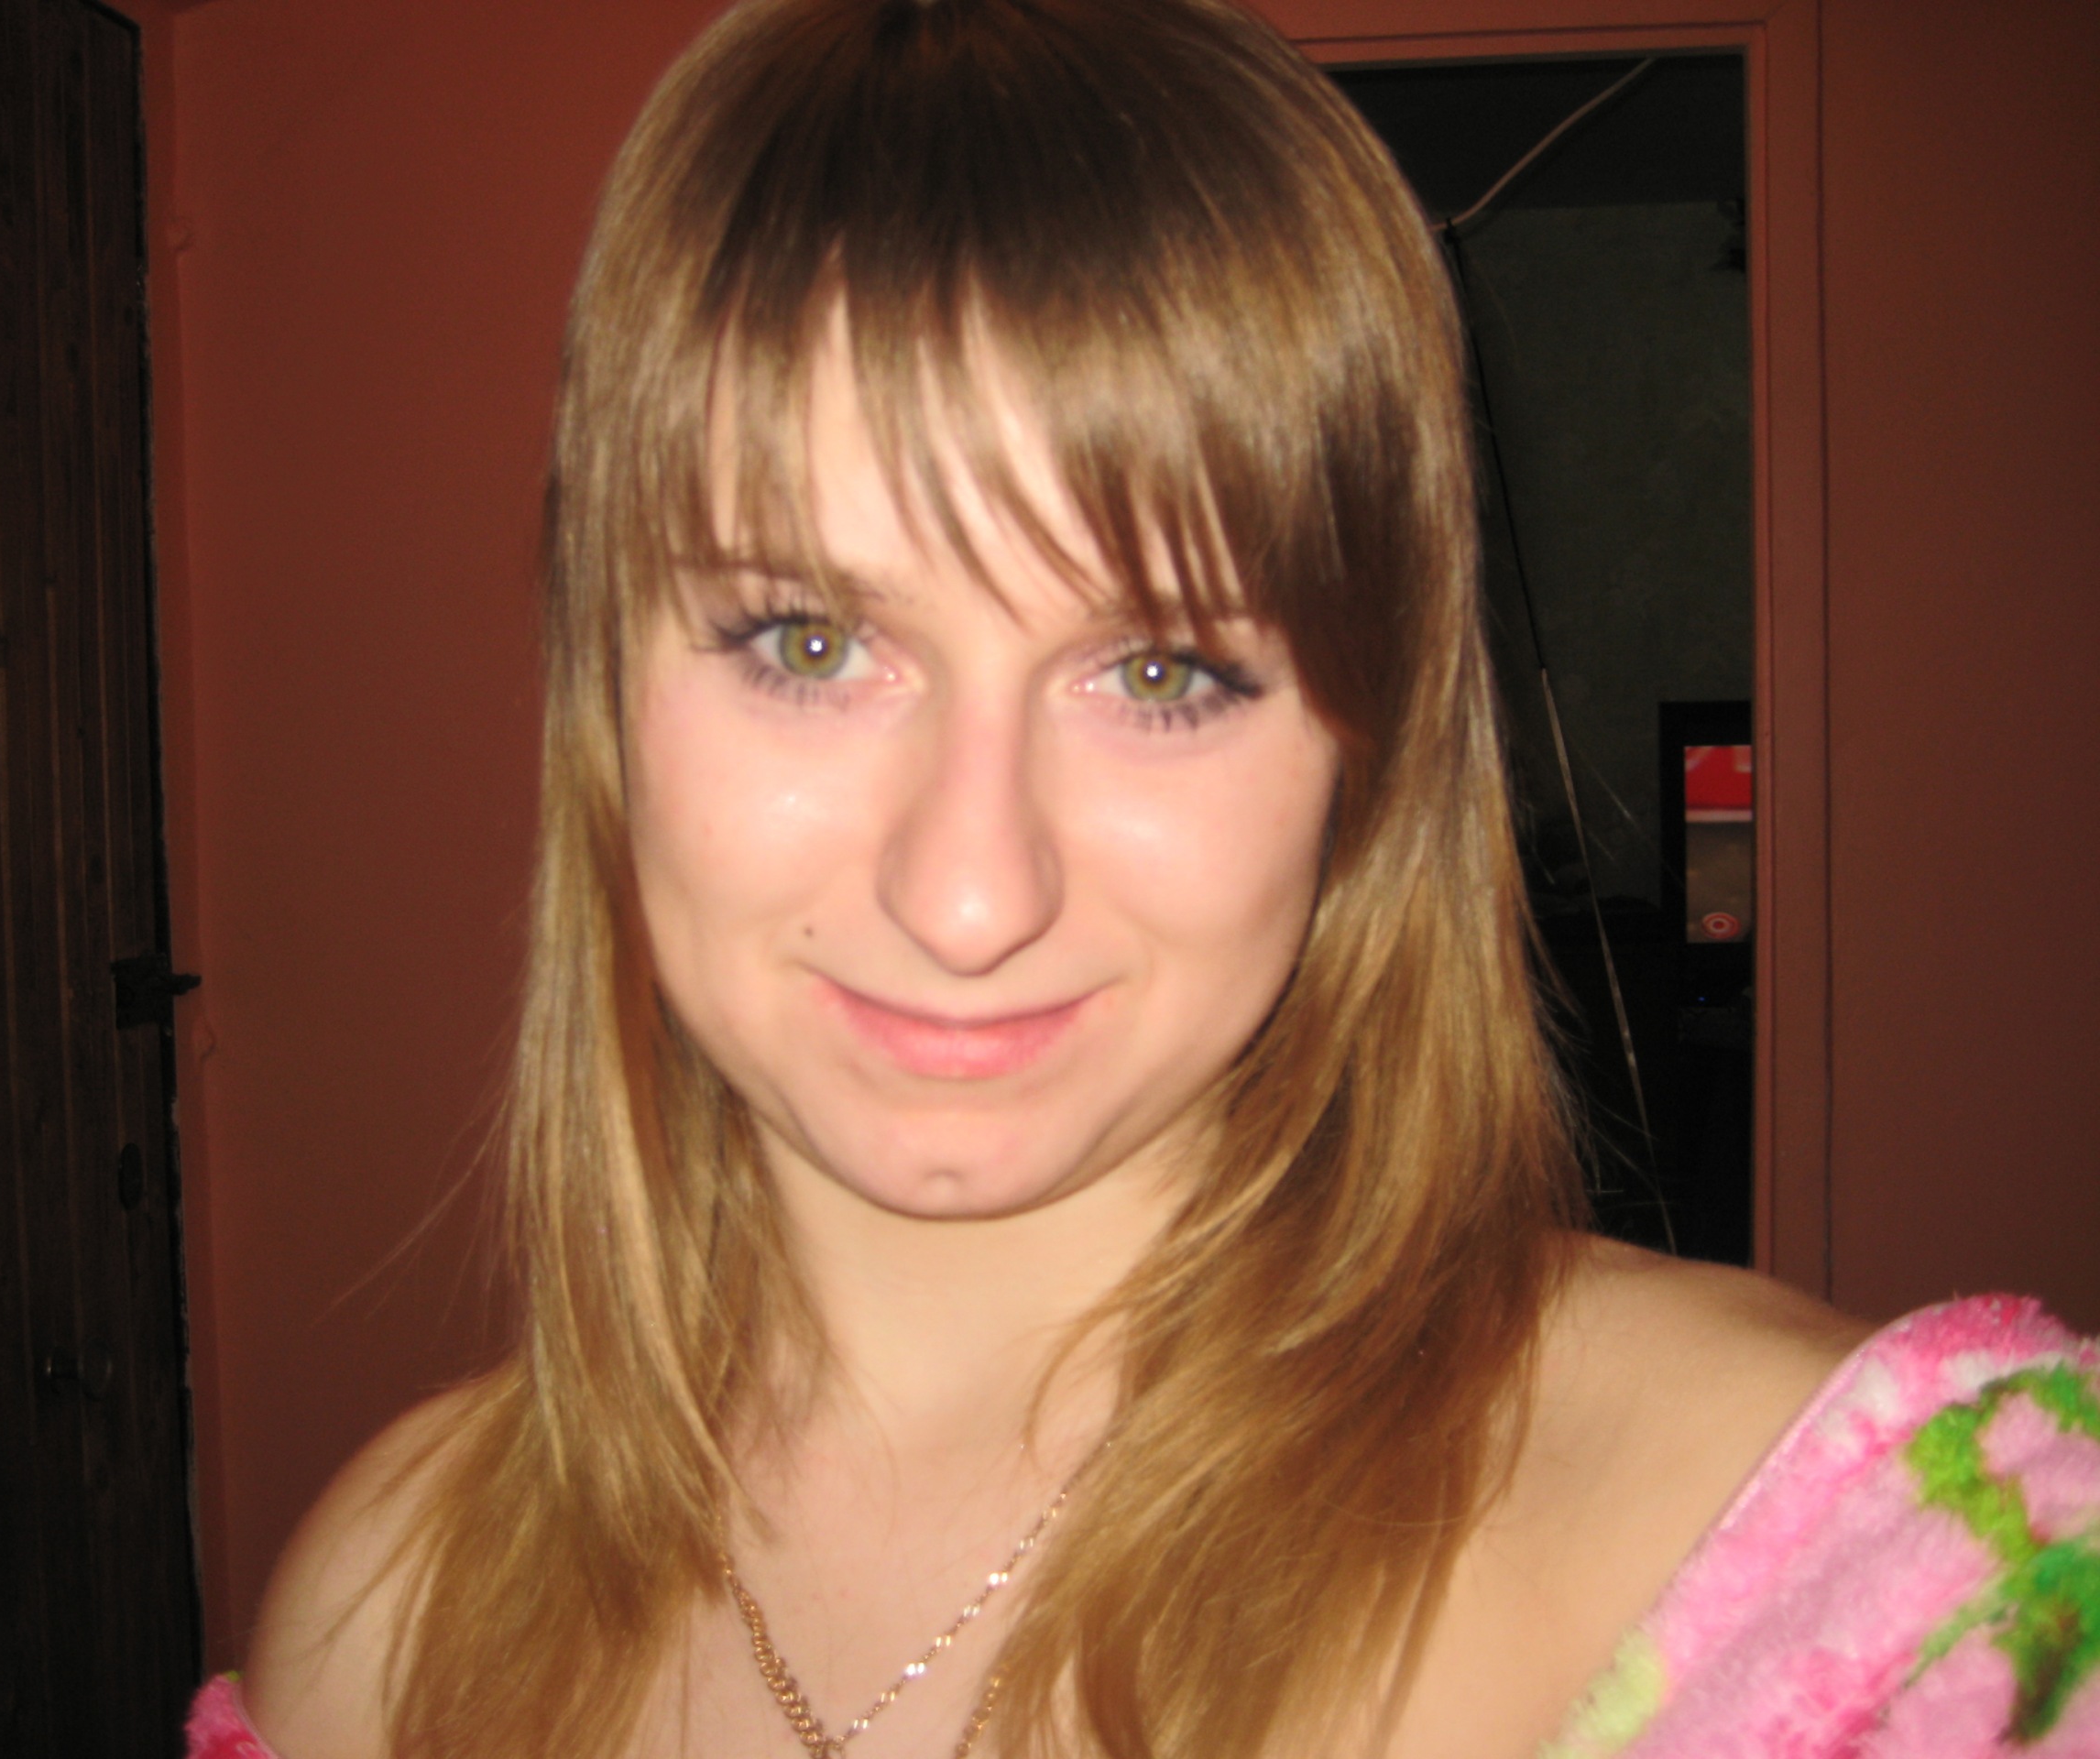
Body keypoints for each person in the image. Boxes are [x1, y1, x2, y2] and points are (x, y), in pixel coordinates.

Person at [189, 1, 2100, 1754]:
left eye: (1162, 675)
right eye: (808, 643)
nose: (968, 896)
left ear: (1363, 760)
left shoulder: (1871, 1569)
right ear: (601, 690)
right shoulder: (378, 1624)